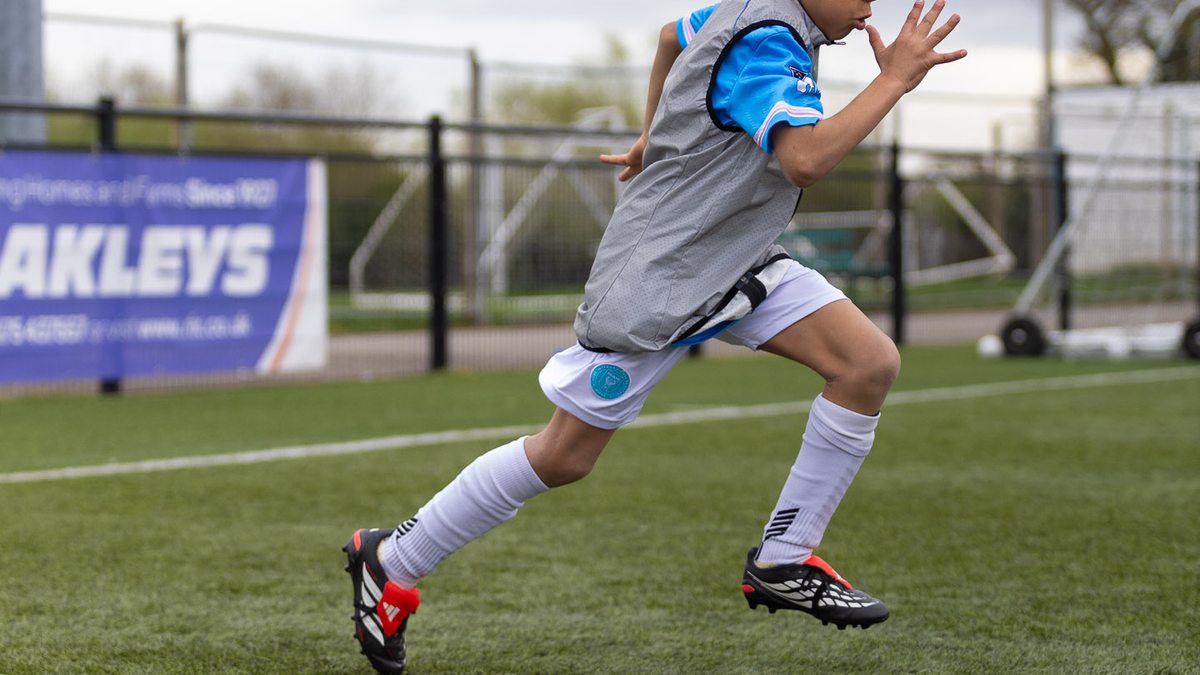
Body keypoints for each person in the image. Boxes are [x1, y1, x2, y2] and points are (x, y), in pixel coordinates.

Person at [343, 0, 967, 671]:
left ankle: (784, 559)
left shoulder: (756, 12)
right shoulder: (767, 39)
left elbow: (671, 36)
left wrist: (657, 135)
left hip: (734, 257)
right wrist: (892, 80)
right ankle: (392, 559)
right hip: (663, 277)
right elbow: (805, 159)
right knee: (564, 455)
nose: (869, 6)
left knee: (867, 363)